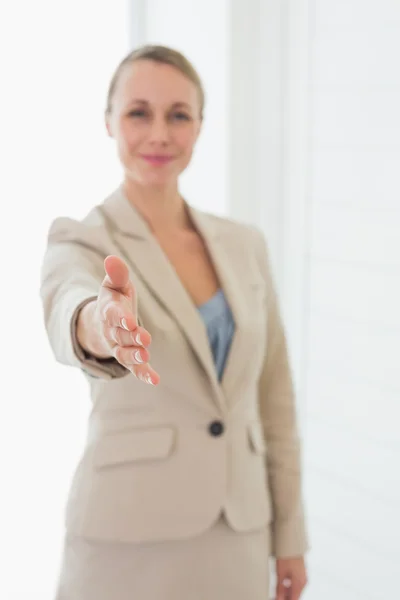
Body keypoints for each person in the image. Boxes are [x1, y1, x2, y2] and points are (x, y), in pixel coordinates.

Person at [40, 44, 309, 600]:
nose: (159, 133)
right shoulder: (82, 237)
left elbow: (274, 395)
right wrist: (103, 324)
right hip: (128, 540)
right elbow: (70, 304)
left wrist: (291, 533)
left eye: (178, 115)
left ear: (200, 126)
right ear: (108, 120)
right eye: (139, 112)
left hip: (239, 534)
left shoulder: (244, 244)